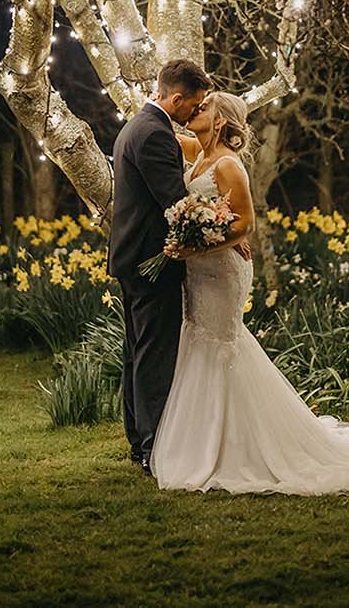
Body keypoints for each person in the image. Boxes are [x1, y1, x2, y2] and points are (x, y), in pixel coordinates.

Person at [150, 90, 349, 494]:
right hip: (200, 269)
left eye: (205, 106)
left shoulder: (228, 165)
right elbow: (164, 132)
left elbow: (245, 225)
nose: (196, 110)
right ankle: (209, 441)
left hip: (221, 271)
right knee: (199, 340)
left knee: (220, 343)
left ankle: (234, 448)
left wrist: (199, 245)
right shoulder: (199, 149)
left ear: (222, 120)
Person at [108, 59, 246, 474]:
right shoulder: (154, 135)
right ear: (176, 98)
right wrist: (222, 230)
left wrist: (228, 229)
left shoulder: (139, 126)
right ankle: (151, 448)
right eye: (194, 104)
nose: (193, 112)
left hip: (132, 258)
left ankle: (139, 441)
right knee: (153, 355)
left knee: (137, 352)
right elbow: (177, 203)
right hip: (152, 260)